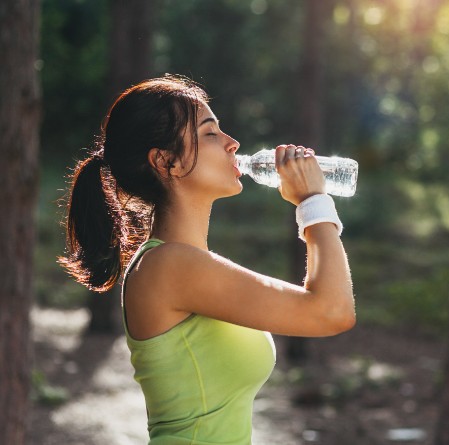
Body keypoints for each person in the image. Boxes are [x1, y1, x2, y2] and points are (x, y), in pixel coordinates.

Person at [59, 75, 355, 444]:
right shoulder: (171, 266)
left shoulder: (186, 263)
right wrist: (313, 201)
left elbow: (325, 307)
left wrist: (314, 203)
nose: (233, 144)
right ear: (167, 162)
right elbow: (331, 312)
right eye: (211, 133)